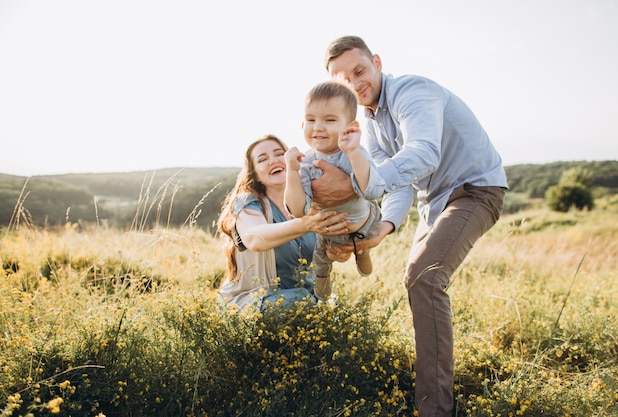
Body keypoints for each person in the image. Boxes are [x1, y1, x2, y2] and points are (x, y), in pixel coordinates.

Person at [313, 36, 508, 416]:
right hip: (433, 203)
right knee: (416, 280)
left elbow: (422, 152)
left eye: (360, 70)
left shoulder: (412, 92)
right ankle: (432, 393)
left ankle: (435, 409)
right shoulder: (368, 123)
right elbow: (395, 183)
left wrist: (355, 184)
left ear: (377, 63)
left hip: (475, 189)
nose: (354, 83)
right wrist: (380, 231)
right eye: (343, 79)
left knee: (425, 277)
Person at [217, 134, 349, 314]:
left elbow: (323, 260)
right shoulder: (248, 202)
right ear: (254, 173)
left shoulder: (310, 204)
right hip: (254, 301)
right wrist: (306, 224)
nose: (273, 161)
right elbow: (255, 239)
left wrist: (338, 252)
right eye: (262, 159)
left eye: (279, 154)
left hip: (304, 299)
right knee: (301, 302)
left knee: (333, 308)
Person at [284, 81, 385, 301]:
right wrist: (292, 171)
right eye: (311, 120)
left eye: (329, 120)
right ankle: (322, 302)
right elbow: (298, 210)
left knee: (362, 246)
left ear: (350, 127)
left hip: (365, 222)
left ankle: (363, 252)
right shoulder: (307, 163)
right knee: (320, 263)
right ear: (302, 125)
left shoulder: (355, 153)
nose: (318, 127)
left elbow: (373, 191)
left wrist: (353, 152)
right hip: (330, 232)